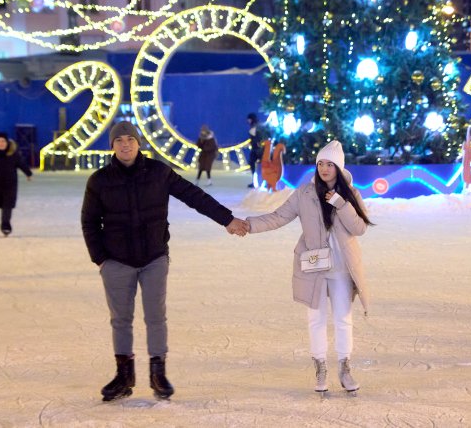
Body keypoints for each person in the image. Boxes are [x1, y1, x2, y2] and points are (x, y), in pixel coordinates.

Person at [81, 121, 248, 402]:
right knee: (120, 319)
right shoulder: (99, 180)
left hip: (154, 258)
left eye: (130, 139)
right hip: (117, 261)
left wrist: (227, 219)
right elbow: (89, 222)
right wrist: (101, 259)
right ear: (112, 145)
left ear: (139, 143)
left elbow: (194, 196)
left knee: (156, 317)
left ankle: (158, 373)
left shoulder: (158, 173)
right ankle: (124, 375)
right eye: (119, 140)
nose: (125, 144)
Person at [243, 140, 372, 395]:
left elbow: (360, 228)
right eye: (320, 163)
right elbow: (279, 217)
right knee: (316, 318)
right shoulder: (304, 193)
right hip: (314, 266)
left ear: (338, 167)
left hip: (343, 269)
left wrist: (340, 203)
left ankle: (345, 368)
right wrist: (248, 225)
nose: (324, 169)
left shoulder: (350, 195)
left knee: (343, 319)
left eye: (329, 164)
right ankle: (320, 366)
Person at [246, 112, 262, 188]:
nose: (247, 121)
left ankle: (256, 181)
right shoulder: (258, 126)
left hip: (256, 149)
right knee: (255, 165)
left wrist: (254, 144)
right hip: (257, 149)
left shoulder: (255, 127)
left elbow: (256, 138)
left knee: (253, 164)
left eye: (248, 119)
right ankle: (257, 181)